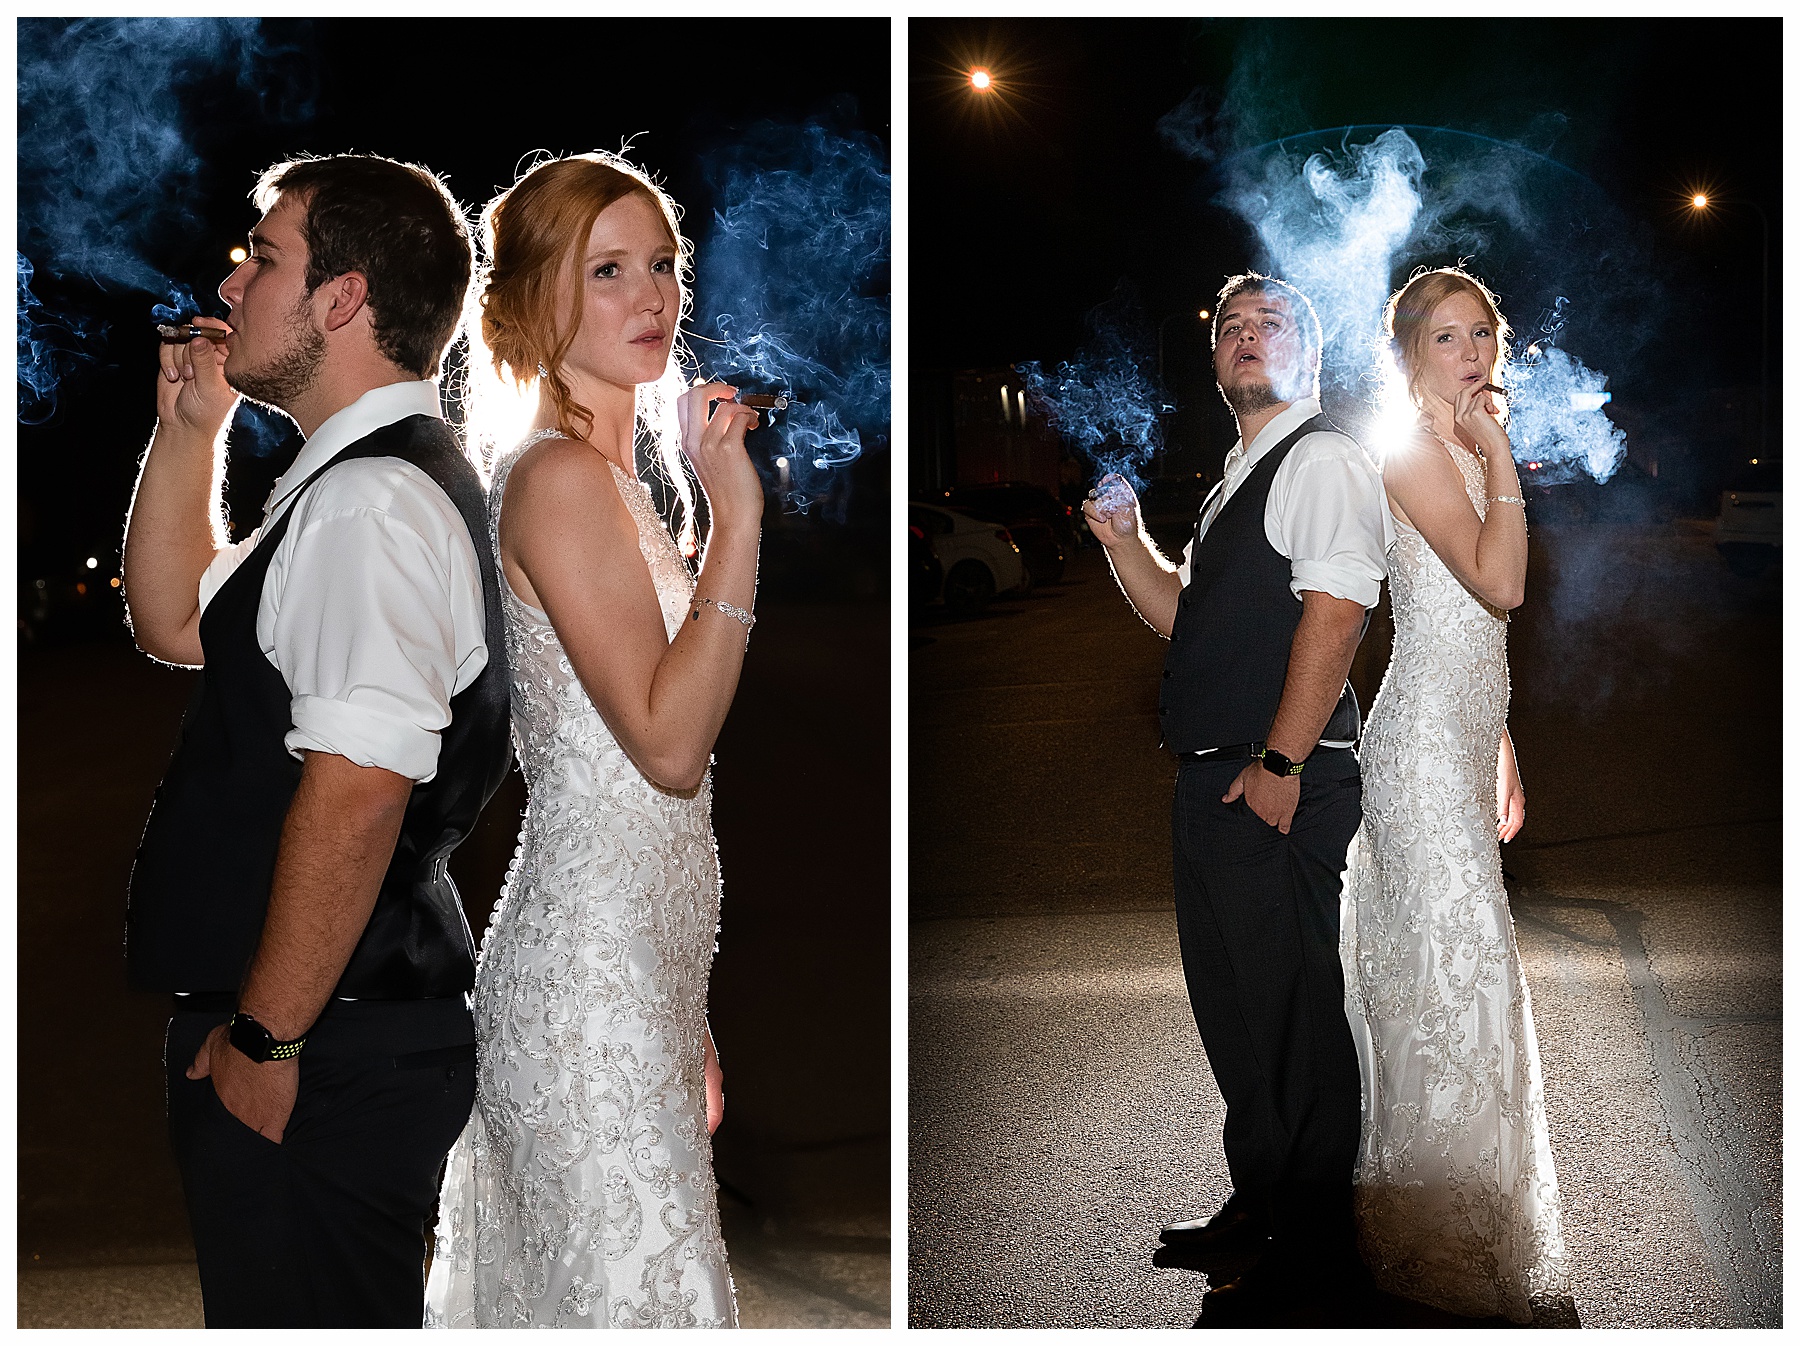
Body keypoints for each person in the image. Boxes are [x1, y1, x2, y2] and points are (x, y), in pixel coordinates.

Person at [122, 154, 511, 1326]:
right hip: (332, 1042)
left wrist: (268, 1040)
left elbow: (357, 794)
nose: (231, 284)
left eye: (266, 258)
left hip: (326, 1051)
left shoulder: (368, 503)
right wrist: (193, 430)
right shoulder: (341, 483)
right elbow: (177, 619)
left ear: (342, 298)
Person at [424, 152, 760, 1329]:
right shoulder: (560, 477)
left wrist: (687, 1010)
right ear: (533, 300)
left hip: (639, 982)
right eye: (607, 269)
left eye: (663, 264)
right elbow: (670, 747)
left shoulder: (619, 484)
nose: (652, 294)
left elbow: (661, 801)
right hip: (583, 999)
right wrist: (740, 524)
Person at [1083, 273, 1388, 1324]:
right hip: (1215, 777)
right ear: (1214, 359)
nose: (1247, 337)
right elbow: (1185, 617)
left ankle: (1312, 1248)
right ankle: (1260, 1205)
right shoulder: (1234, 478)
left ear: (1310, 352)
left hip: (1279, 777)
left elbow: (1339, 611)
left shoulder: (1324, 456)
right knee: (1238, 1016)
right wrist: (1128, 544)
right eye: (1229, 328)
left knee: (1295, 1021)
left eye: (1271, 324)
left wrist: (1284, 764)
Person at [1339, 267, 1569, 1322]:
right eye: (1445, 337)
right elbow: (1500, 584)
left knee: (1463, 974)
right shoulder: (1409, 449)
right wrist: (1499, 457)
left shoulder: (1463, 446)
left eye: (1482, 333)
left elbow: (1480, 637)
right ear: (1406, 354)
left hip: (1462, 734)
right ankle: (1434, 1242)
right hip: (1418, 750)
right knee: (1453, 977)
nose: (1471, 353)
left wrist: (1503, 741)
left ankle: (1468, 1221)